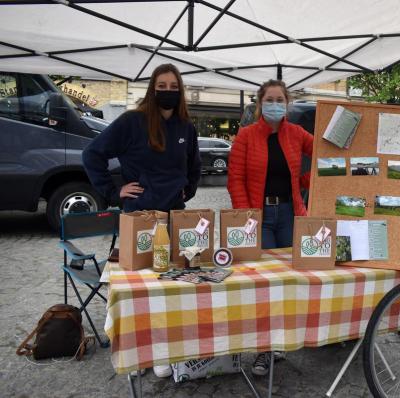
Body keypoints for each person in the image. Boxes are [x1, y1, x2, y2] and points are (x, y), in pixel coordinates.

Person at [83, 63, 201, 378]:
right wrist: (113, 190)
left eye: (172, 85)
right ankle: (138, 353)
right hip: (139, 217)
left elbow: (194, 166)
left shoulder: (186, 127)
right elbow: (92, 154)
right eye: (160, 86)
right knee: (138, 287)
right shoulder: (132, 122)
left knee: (170, 285)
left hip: (174, 217)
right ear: (152, 88)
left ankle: (165, 351)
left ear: (180, 90)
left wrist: (185, 191)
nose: (167, 91)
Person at [227, 79, 313, 376]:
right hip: (259, 217)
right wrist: (246, 216)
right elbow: (235, 179)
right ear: (261, 102)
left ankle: (282, 342)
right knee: (263, 284)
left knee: (290, 280)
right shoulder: (246, 136)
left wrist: (307, 182)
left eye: (280, 99)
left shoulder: (297, 134)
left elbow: (325, 156)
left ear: (287, 103)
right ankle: (264, 350)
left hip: (290, 214)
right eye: (270, 99)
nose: (276, 104)